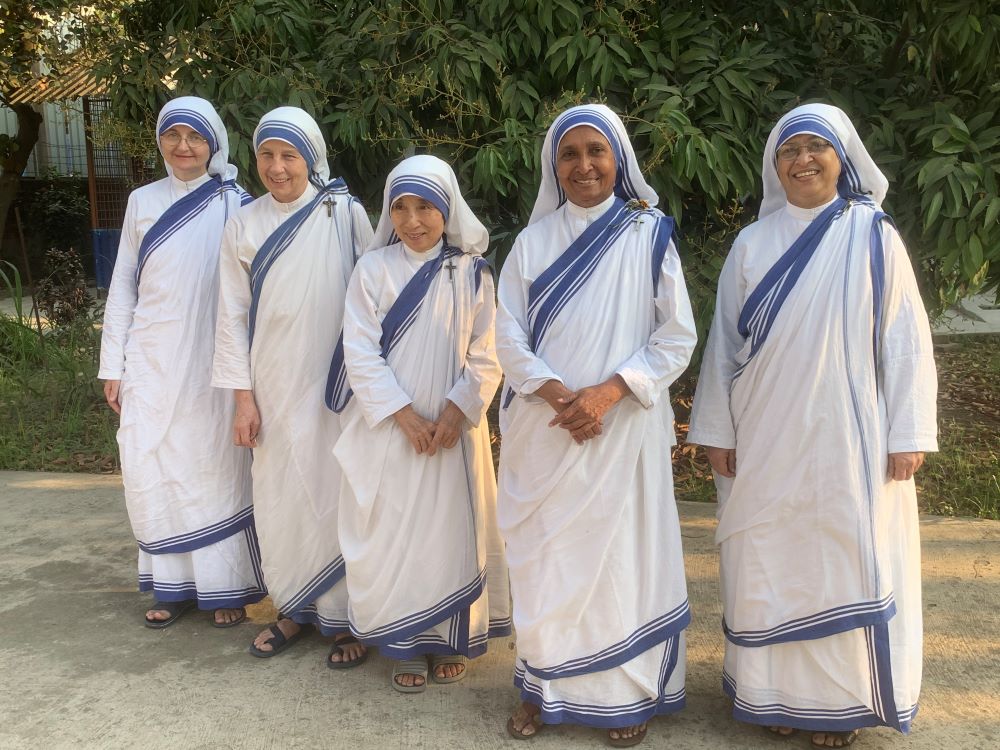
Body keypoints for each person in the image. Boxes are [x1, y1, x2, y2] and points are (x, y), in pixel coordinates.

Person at [687, 102, 938, 749]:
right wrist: (717, 429)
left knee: (841, 558)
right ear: (775, 166)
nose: (803, 159)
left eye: (816, 147)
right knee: (767, 558)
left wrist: (908, 432)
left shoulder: (872, 234)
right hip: (765, 436)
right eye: (789, 149)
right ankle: (773, 694)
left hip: (846, 440)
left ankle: (841, 705)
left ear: (841, 156)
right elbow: (723, 346)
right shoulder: (751, 243)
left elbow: (905, 338)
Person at [495, 104, 697, 747]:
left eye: (596, 151)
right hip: (547, 431)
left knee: (620, 562)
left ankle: (621, 694)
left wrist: (608, 393)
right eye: (571, 154)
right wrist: (560, 397)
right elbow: (507, 334)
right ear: (554, 166)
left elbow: (677, 336)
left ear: (620, 159)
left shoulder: (649, 233)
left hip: (623, 430)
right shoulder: (531, 243)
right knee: (547, 560)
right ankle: (542, 686)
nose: (584, 165)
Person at [328, 154, 511, 693]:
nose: (412, 220)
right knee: (389, 529)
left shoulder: (472, 271)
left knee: (451, 532)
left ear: (447, 209)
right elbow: (358, 349)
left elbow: (489, 348)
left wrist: (456, 412)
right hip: (392, 430)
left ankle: (447, 638)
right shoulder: (373, 269)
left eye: (425, 206)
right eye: (400, 208)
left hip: (454, 434)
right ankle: (403, 643)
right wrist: (405, 417)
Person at [212, 106, 373, 666]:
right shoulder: (244, 223)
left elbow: (375, 294)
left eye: (289, 155)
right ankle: (292, 609)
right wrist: (242, 398)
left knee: (340, 493)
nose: (277, 168)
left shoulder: (344, 214)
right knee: (281, 494)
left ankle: (350, 617)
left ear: (312, 158)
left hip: (336, 386)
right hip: (272, 386)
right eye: (266, 155)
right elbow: (230, 317)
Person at [99, 96, 265, 629]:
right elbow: (124, 283)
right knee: (153, 461)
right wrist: (113, 364)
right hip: (150, 356)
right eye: (173, 136)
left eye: (194, 137)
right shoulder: (141, 201)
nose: (184, 146)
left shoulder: (238, 203)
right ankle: (170, 586)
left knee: (214, 468)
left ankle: (225, 588)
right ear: (160, 142)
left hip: (211, 364)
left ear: (213, 142)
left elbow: (249, 295)